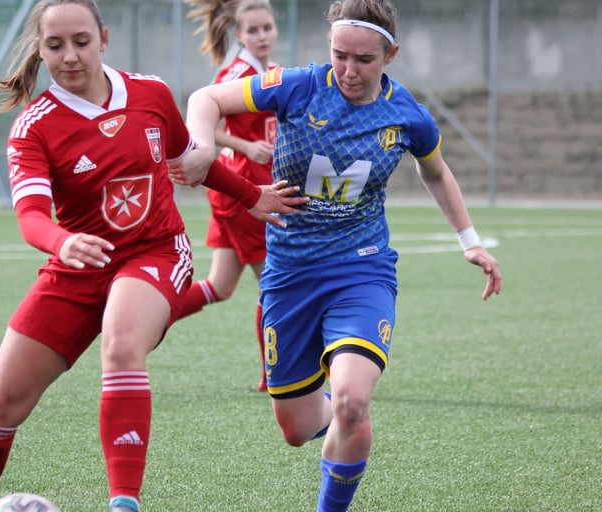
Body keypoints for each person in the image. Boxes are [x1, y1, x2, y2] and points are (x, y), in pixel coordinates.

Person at [0, 2, 305, 512]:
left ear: (104, 39)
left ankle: (123, 504)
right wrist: (62, 243)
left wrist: (251, 195)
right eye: (55, 46)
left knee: (121, 344)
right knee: (3, 401)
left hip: (155, 251)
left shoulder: (150, 93)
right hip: (77, 263)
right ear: (40, 50)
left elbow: (191, 161)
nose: (70, 56)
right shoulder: (33, 126)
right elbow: (32, 217)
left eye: (81, 41)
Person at [169, 0, 503, 510]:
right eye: (339, 55)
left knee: (351, 402)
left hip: (361, 269)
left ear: (390, 55)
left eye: (364, 59)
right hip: (289, 275)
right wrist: (203, 146)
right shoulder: (298, 85)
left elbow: (434, 170)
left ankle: (347, 431)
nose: (349, 70)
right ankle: (344, 419)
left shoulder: (406, 114)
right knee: (297, 428)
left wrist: (470, 240)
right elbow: (206, 98)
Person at [179, 0, 279, 392]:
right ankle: (274, 376)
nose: (262, 36)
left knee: (220, 286)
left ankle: (139, 323)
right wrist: (245, 144)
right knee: (274, 283)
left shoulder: (271, 72)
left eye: (267, 28)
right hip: (244, 190)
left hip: (238, 189)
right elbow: (204, 122)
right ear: (240, 35)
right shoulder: (236, 72)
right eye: (253, 30)